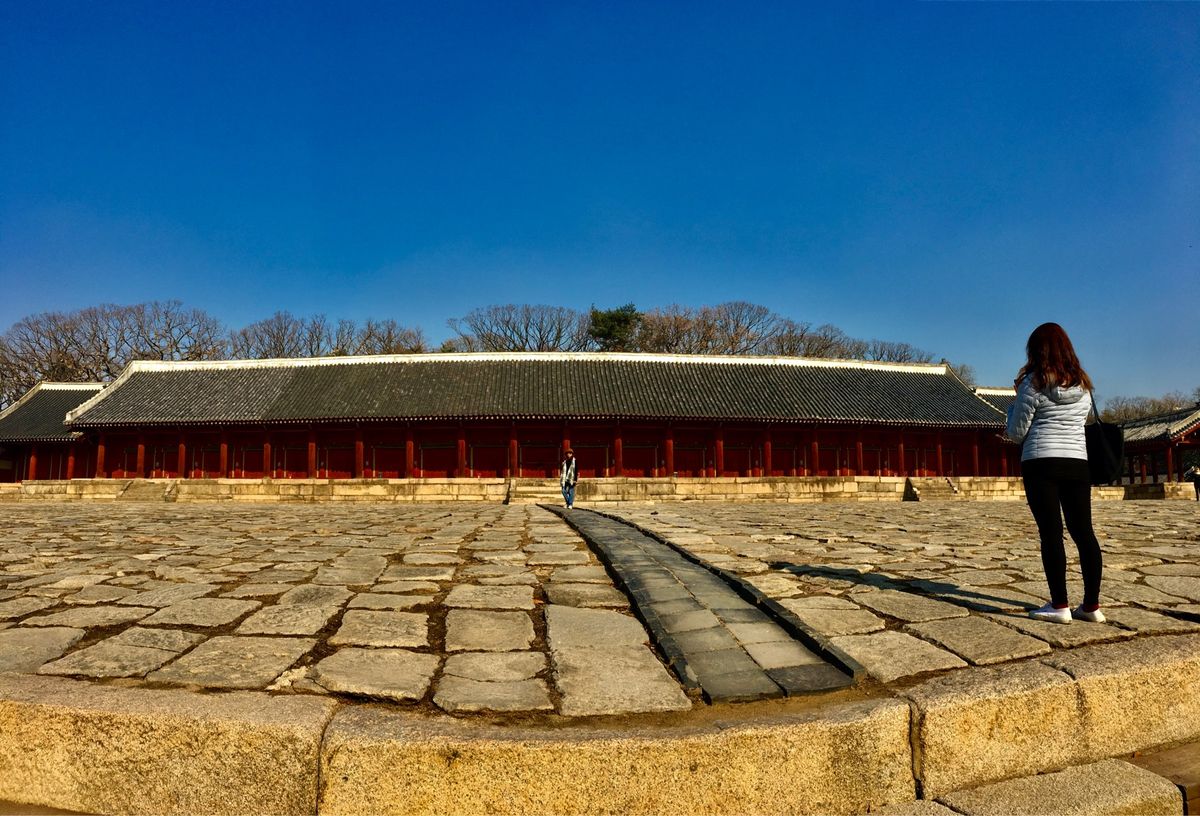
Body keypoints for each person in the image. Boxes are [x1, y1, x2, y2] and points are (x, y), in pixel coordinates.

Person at [1006, 323, 1104, 625]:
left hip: (1041, 461)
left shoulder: (1033, 383)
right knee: (1084, 532)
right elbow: (1078, 423)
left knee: (1051, 533)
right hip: (1077, 462)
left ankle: (1059, 604)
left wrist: (1012, 406)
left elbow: (1016, 432)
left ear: (1036, 351)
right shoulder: (1083, 385)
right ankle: (1091, 605)